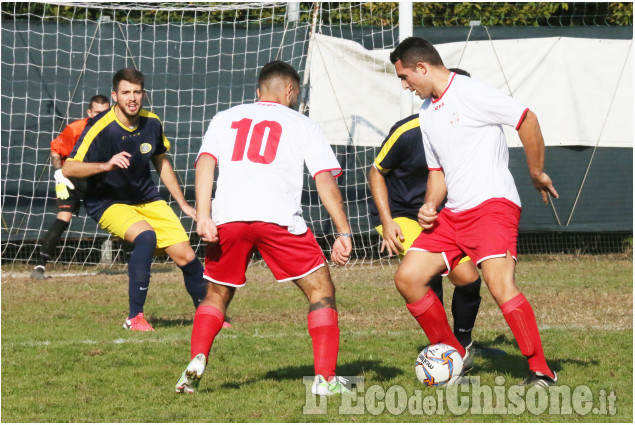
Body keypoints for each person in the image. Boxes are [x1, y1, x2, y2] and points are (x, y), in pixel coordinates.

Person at [389, 37, 559, 387]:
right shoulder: (426, 112)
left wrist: (536, 172)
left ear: (422, 67)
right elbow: (437, 171)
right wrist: (430, 204)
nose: (405, 86)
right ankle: (455, 357)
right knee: (408, 278)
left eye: (405, 77)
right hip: (453, 213)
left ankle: (542, 370)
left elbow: (526, 119)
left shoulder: (469, 91)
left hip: (492, 205)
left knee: (500, 286)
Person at [175, 61, 353, 396]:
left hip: (228, 218)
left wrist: (203, 215)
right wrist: (343, 231)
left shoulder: (224, 117)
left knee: (216, 294)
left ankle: (198, 357)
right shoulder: (302, 124)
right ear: (290, 91)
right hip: (278, 218)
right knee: (320, 291)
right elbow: (324, 181)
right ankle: (325, 379)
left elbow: (205, 162)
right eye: (296, 94)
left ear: (258, 91)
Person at [62, 68, 208, 332]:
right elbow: (69, 168)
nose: (132, 98)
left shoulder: (152, 123)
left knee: (186, 255)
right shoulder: (100, 128)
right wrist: (105, 166)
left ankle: (209, 314)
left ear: (144, 94)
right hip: (107, 202)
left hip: (146, 198)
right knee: (146, 237)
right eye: (126, 92)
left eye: (137, 92)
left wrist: (183, 203)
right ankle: (134, 318)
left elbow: (161, 162)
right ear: (115, 96)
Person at [368, 69, 484, 360]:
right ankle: (445, 348)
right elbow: (376, 171)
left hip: (445, 216)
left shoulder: (472, 131)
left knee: (469, 279)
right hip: (403, 215)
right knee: (427, 275)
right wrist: (387, 220)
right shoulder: (408, 131)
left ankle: (462, 343)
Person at [30, 95, 110, 280]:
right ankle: (39, 267)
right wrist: (59, 174)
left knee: (120, 212)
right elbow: (56, 150)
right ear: (89, 112)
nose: (101, 116)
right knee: (63, 218)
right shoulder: (75, 129)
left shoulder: (112, 129)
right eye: (97, 113)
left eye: (105, 112)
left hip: (97, 179)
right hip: (71, 180)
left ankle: (133, 264)